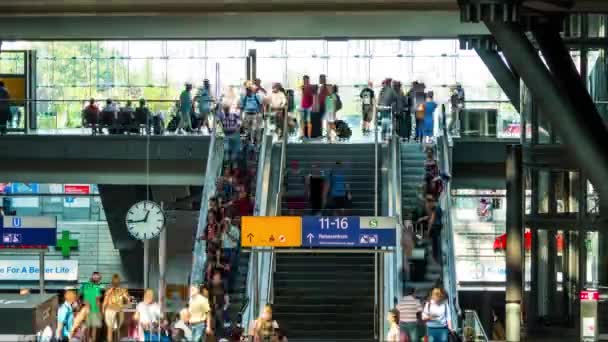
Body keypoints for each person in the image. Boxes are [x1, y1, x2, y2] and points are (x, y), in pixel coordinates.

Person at [103, 274, 130, 342]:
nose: (115, 282)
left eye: (117, 281)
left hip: (117, 311)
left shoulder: (123, 290)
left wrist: (122, 307)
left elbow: (128, 302)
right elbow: (105, 302)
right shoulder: (109, 290)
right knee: (111, 330)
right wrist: (103, 310)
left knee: (116, 330)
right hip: (110, 311)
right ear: (112, 281)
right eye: (114, 281)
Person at [80, 271, 103, 342]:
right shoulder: (96, 288)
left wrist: (82, 303)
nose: (99, 281)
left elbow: (79, 296)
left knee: (86, 328)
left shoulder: (84, 285)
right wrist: (100, 312)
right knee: (93, 329)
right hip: (94, 310)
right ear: (97, 279)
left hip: (85, 310)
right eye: (99, 279)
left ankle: (86, 340)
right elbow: (97, 301)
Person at [221, 217, 241, 291]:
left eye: (226, 223)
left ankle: (231, 287)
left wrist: (228, 234)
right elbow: (223, 242)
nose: (225, 225)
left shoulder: (235, 230)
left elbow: (236, 240)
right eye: (224, 223)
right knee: (225, 270)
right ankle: (226, 287)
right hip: (225, 251)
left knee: (232, 269)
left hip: (233, 250)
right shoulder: (223, 231)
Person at [210, 271, 230, 338]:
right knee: (215, 321)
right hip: (213, 307)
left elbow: (226, 294)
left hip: (222, 306)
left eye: (218, 277)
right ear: (213, 278)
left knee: (224, 319)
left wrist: (226, 304)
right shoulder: (211, 285)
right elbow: (212, 297)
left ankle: (226, 333)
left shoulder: (222, 284)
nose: (217, 278)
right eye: (216, 277)